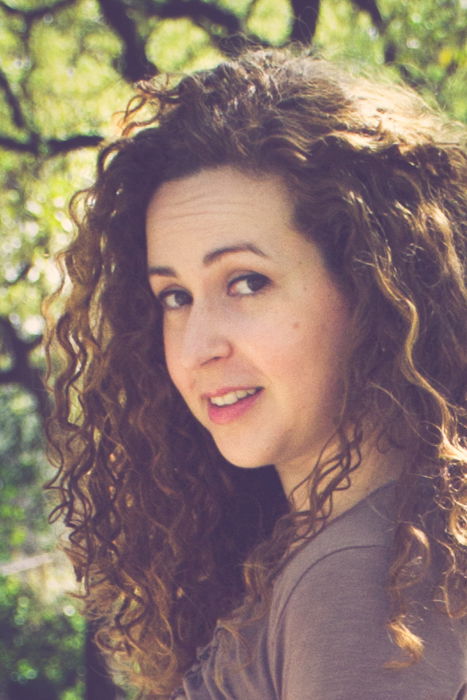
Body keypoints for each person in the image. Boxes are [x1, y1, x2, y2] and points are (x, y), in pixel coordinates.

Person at [46, 47, 466, 699]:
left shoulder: (359, 577)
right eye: (174, 297)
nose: (196, 346)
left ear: (374, 288)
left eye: (245, 282)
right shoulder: (354, 543)